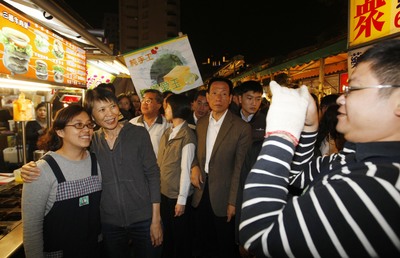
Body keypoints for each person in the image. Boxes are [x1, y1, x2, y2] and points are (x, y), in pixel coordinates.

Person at [239, 39, 400, 257]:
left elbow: (259, 237)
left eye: (354, 88)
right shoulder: (353, 158)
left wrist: (282, 134)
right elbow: (297, 176)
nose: (341, 99)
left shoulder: (376, 187)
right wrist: (309, 128)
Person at [22, 87, 163, 258]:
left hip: (143, 218)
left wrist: (156, 218)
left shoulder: (138, 133)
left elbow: (153, 174)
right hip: (109, 224)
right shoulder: (91, 140)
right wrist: (35, 166)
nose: (109, 114)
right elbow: (67, 153)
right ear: (93, 116)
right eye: (101, 110)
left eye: (112, 106)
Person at [22, 104, 102, 257]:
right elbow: (32, 229)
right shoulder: (42, 170)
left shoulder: (95, 162)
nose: (86, 130)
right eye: (78, 125)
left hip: (93, 249)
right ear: (60, 131)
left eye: (89, 124)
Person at [191, 77, 252, 257]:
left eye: (224, 94)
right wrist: (194, 166)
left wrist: (233, 201)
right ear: (208, 96)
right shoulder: (201, 124)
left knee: (225, 246)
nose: (219, 98)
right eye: (215, 93)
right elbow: (197, 154)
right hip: (201, 191)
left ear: (231, 97)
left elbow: (240, 168)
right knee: (204, 241)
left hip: (225, 196)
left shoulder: (241, 128)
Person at [157, 94, 196, 258]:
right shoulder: (168, 132)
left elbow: (186, 170)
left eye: (167, 107)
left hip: (176, 196)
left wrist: (181, 200)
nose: (165, 110)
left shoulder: (187, 136)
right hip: (164, 192)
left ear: (176, 108)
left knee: (180, 237)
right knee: (169, 234)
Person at [130, 89, 170, 158]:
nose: (144, 103)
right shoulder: (132, 123)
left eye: (148, 101)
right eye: (143, 100)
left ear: (158, 105)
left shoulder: (167, 125)